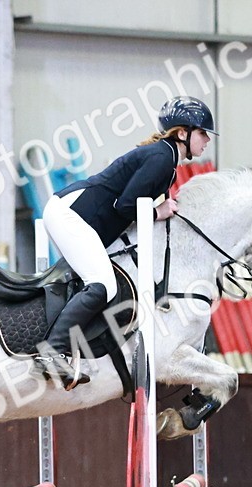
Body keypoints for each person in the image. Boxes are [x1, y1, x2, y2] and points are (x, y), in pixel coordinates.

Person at [34, 95, 216, 387]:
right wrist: (159, 211)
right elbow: (125, 206)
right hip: (72, 213)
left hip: (79, 215)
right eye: (203, 133)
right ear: (183, 133)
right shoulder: (161, 158)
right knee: (103, 285)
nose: (207, 140)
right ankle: (53, 351)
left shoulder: (167, 159)